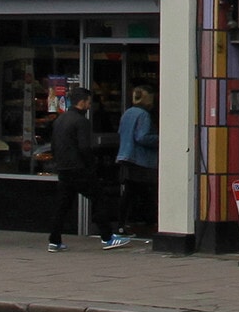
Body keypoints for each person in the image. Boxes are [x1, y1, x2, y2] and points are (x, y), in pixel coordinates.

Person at [47, 89, 134, 251]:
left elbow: (54, 145)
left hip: (64, 168)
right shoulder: (82, 122)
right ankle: (107, 238)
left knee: (62, 205)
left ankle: (54, 240)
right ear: (82, 102)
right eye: (88, 102)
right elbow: (84, 147)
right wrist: (91, 166)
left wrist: (58, 163)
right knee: (99, 198)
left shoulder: (60, 120)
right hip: (79, 168)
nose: (89, 105)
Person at [115, 85, 160, 238]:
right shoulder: (144, 115)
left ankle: (121, 225)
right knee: (148, 192)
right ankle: (151, 223)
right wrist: (162, 138)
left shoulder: (127, 113)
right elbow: (142, 137)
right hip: (141, 160)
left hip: (126, 157)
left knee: (129, 193)